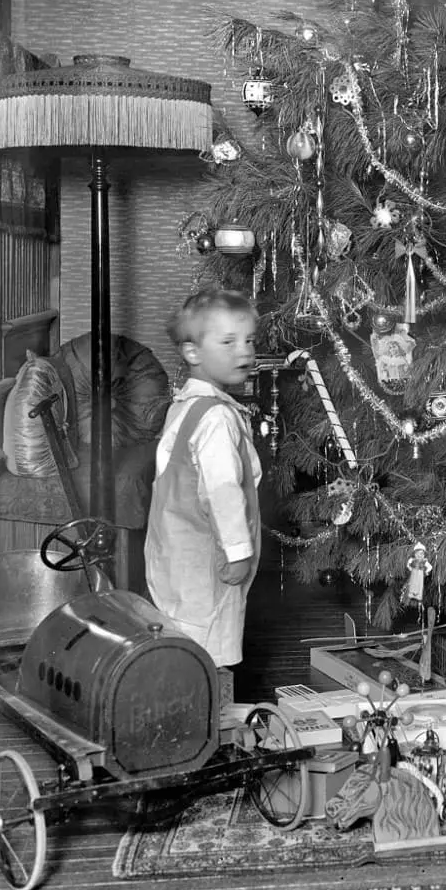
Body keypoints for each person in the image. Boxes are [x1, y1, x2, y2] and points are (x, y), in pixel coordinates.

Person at [145, 288, 262, 673]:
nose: (243, 351)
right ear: (193, 353)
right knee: (210, 650)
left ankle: (188, 705)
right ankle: (214, 718)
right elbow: (222, 490)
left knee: (182, 638)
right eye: (228, 342)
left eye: (248, 340)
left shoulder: (187, 406)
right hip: (207, 562)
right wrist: (238, 552)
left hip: (174, 556)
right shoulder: (216, 419)